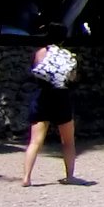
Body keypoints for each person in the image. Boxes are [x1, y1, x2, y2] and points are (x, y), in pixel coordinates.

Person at [21, 23, 81, 186]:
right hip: (61, 97)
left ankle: (26, 177)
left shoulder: (40, 53)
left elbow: (34, 71)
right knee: (68, 141)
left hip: (42, 96)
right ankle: (69, 176)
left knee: (35, 141)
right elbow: (72, 78)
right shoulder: (68, 55)